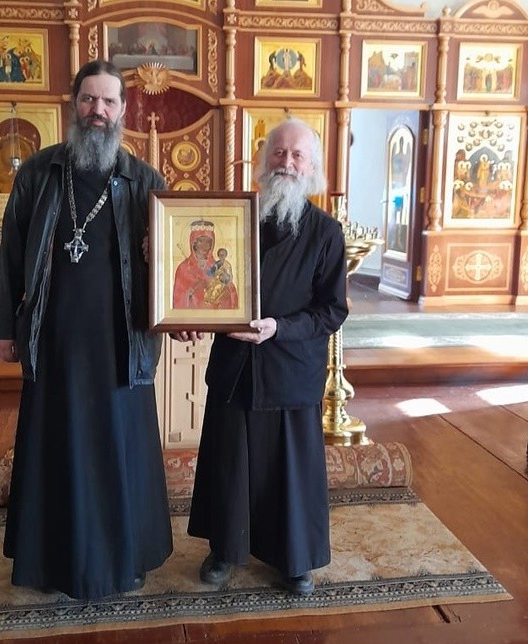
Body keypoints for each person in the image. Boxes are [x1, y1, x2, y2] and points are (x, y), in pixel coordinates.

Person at [0, 59, 172, 601]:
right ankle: (51, 564)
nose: (99, 111)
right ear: (74, 105)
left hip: (122, 343)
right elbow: (11, 255)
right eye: (89, 99)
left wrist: (179, 309)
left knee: (119, 450)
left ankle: (125, 560)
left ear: (123, 110)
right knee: (56, 449)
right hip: (55, 340)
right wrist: (5, 327)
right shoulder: (39, 172)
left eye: (109, 101)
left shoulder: (145, 181)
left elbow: (172, 264)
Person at [177, 118, 348, 596]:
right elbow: (207, 285)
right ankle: (224, 549)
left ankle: (294, 559)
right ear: (263, 159)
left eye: (297, 155)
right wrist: (188, 315)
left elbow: (332, 311)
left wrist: (279, 329)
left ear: (312, 167)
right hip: (235, 366)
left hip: (291, 369)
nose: (286, 163)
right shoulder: (234, 221)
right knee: (229, 462)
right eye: (278, 152)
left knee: (289, 472)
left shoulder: (326, 232)